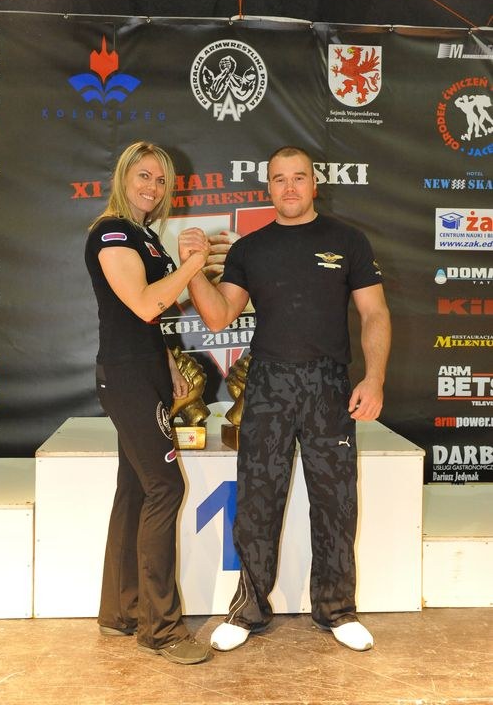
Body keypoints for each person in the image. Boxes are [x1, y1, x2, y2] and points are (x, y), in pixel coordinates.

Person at [178, 145, 391, 654]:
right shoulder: (251, 249)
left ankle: (337, 609)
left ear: (314, 184)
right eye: (280, 179)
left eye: (299, 177)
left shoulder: (347, 240)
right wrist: (193, 268)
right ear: (268, 187)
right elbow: (219, 317)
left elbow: (375, 314)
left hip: (329, 386)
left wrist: (374, 379)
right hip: (269, 383)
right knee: (257, 500)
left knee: (335, 501)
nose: (290, 187)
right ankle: (248, 610)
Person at [85, 140, 211, 665]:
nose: (153, 188)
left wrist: (168, 366)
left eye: (161, 181)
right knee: (166, 487)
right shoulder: (112, 232)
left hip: (146, 372)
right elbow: (142, 304)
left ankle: (121, 611)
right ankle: (161, 630)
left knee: (136, 489)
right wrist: (196, 262)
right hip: (126, 377)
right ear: (123, 177)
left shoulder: (146, 237)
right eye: (144, 176)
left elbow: (149, 318)